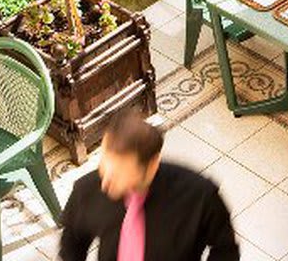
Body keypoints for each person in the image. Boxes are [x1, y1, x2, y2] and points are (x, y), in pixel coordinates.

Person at [59, 111, 240, 261]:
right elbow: (72, 240)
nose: (105, 183)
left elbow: (225, 250)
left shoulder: (200, 197)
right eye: (104, 166)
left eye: (119, 174)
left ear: (152, 165)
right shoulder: (87, 189)